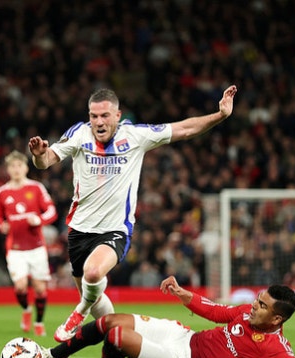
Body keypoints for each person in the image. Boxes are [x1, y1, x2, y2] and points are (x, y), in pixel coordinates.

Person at [28, 85, 238, 342]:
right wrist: (38, 156)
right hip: (79, 230)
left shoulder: (136, 136)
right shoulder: (79, 133)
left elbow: (184, 129)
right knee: (96, 297)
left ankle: (79, 311)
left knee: (93, 274)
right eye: (94, 116)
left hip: (115, 229)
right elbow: (46, 161)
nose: (98, 122)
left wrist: (220, 115)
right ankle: (116, 349)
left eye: (105, 115)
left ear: (117, 115)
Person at [40, 275, 295, 358]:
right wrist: (182, 293)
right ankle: (52, 355)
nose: (254, 305)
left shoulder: (273, 349)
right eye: (258, 299)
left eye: (262, 305)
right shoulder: (246, 312)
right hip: (183, 337)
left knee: (118, 336)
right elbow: (216, 311)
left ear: (277, 320)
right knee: (109, 322)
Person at [0, 150, 58, 336]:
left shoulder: (36, 188)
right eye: (12, 166)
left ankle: (39, 322)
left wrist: (39, 220)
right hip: (15, 247)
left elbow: (51, 211)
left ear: (26, 168)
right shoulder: (2, 192)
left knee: (40, 289)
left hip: (36, 246)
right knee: (20, 286)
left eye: (19, 165)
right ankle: (26, 310)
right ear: (8, 169)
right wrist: (1, 226)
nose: (16, 169)